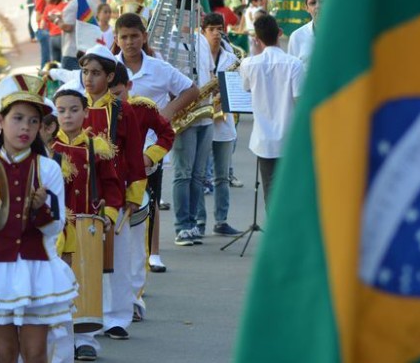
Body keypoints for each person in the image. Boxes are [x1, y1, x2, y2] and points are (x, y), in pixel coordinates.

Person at [0, 77, 76, 363]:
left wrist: (40, 210)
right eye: (18, 118)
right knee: (5, 353)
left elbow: (56, 227)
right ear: (0, 120)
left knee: (36, 353)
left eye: (34, 121)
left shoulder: (48, 169)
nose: (26, 127)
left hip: (38, 268)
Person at [74, 45, 146, 361]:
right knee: (83, 263)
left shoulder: (122, 110)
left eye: (95, 73)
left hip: (115, 196)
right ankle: (86, 322)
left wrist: (132, 197)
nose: (88, 79)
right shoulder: (72, 108)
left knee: (118, 258)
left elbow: (132, 156)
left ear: (109, 76)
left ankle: (117, 317)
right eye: (85, 72)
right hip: (79, 197)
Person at [112, 13, 199, 252]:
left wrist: (167, 112)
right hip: (114, 144)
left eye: (134, 36)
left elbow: (191, 90)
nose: (130, 42)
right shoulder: (109, 67)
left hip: (150, 145)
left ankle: (153, 252)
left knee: (150, 195)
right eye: (124, 37)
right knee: (117, 197)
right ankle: (121, 249)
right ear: (116, 39)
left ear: (144, 36)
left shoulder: (159, 68)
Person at [51, 89, 121, 361]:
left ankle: (86, 339)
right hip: (58, 229)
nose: (67, 115)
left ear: (84, 112)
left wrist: (109, 215)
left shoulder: (95, 146)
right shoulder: (49, 149)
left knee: (87, 282)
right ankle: (60, 339)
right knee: (59, 285)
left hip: (88, 227)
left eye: (73, 110)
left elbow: (112, 185)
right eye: (61, 110)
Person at [109, 63, 175, 315]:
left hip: (134, 184)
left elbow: (166, 134)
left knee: (136, 248)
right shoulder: (92, 110)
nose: (113, 100)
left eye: (118, 94)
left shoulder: (142, 109)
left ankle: (134, 299)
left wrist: (150, 156)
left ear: (129, 87)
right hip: (105, 188)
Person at [240, 15, 304, 206]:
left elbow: (245, 87)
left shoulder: (248, 64)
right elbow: (299, 100)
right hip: (289, 137)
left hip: (263, 138)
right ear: (280, 33)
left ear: (256, 39)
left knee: (270, 187)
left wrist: (254, 51)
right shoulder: (294, 64)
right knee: (291, 188)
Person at [195, 13, 241, 237]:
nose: (216, 33)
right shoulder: (196, 54)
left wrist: (226, 94)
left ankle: (221, 221)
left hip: (223, 122)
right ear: (203, 31)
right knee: (200, 175)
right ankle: (199, 221)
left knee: (222, 176)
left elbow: (239, 86)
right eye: (211, 29)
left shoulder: (231, 58)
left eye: (219, 29)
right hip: (201, 119)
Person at [288, 0, 325, 68]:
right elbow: (292, 71)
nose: (318, 6)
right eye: (312, 3)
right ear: (307, 8)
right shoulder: (296, 37)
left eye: (322, 1)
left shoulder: (342, 33)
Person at [57, 0, 80, 70]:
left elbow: (68, 27)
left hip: (71, 51)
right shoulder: (87, 1)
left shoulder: (71, 5)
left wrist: (56, 20)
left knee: (68, 83)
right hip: (85, 49)